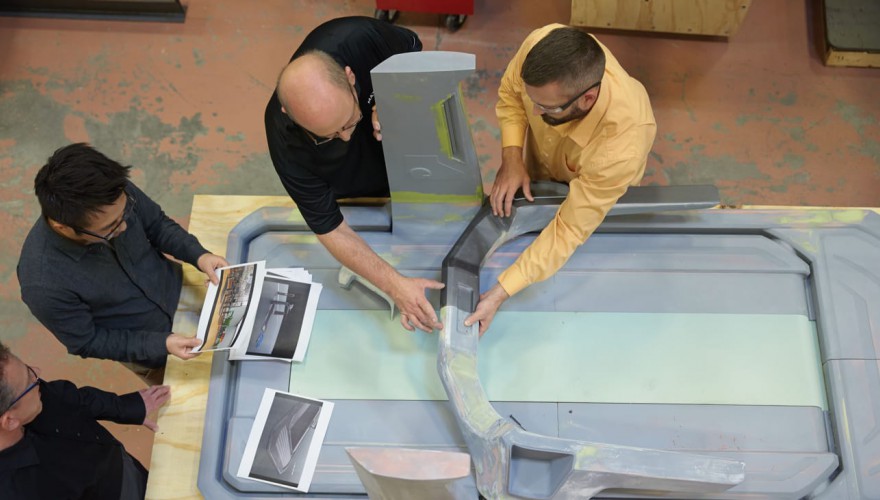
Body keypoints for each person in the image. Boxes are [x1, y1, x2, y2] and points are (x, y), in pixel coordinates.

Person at [465, 25, 657, 334]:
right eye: (534, 100)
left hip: (597, 180)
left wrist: (501, 291)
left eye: (545, 107)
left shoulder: (620, 149)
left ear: (587, 99)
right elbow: (512, 95)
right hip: (545, 158)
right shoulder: (540, 44)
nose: (534, 110)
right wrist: (512, 158)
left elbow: (568, 229)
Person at [265, 16, 446, 333]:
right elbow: (331, 228)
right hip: (352, 182)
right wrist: (395, 285)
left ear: (351, 77)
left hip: (404, 149)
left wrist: (392, 95)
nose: (346, 136)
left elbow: (413, 52)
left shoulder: (359, 39)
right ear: (288, 114)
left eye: (349, 121)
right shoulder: (284, 138)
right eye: (328, 136)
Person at [17, 143, 228, 379]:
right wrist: (161, 343)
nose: (125, 226)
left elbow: (157, 225)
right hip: (157, 351)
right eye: (111, 227)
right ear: (63, 227)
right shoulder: (43, 284)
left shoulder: (110, 191)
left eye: (125, 213)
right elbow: (88, 340)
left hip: (188, 292)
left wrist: (199, 255)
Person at [0, 342, 170, 499]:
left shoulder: (26, 392)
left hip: (122, 466)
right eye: (29, 379)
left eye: (28, 369)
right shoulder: (20, 491)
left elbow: (72, 399)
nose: (37, 373)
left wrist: (127, 407)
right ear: (10, 421)